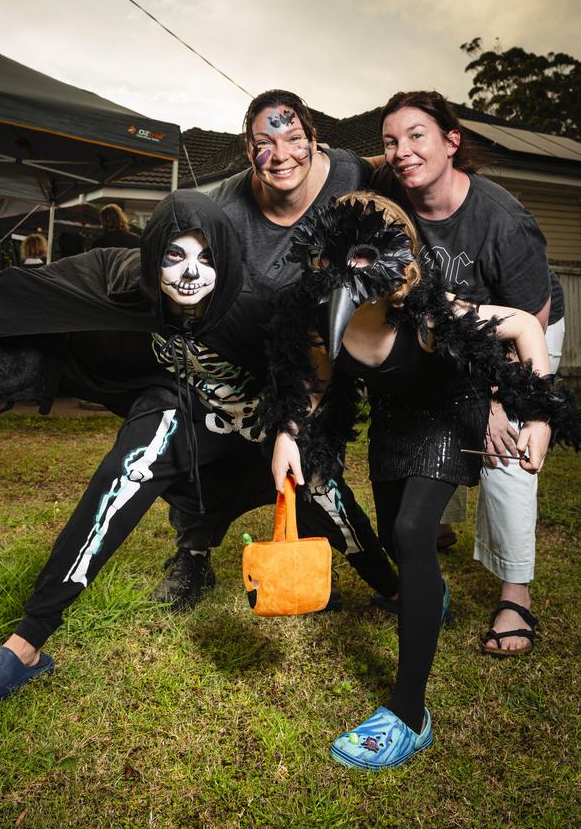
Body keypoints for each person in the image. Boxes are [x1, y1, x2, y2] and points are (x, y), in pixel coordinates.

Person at [0, 190, 397, 704]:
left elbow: (309, 372)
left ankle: (391, 586)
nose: (191, 272)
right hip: (184, 412)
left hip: (267, 421)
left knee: (322, 488)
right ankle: (29, 639)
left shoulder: (252, 311)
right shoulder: (128, 283)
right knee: (122, 476)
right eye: (174, 255)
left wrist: (288, 432)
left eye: (206, 257)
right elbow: (61, 284)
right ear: (153, 258)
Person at [266, 192, 578, 770]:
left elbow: (521, 327)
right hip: (393, 425)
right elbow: (312, 383)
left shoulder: (433, 315)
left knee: (412, 532)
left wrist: (535, 413)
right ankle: (429, 594)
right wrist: (288, 433)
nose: (350, 271)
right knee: (397, 539)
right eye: (336, 256)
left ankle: (409, 713)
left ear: (397, 261)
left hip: (447, 413)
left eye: (364, 256)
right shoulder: (317, 319)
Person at [156, 89, 389, 607]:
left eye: (292, 138)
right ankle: (192, 555)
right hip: (244, 349)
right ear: (247, 150)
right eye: (265, 143)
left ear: (313, 139)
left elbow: (396, 163)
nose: (280, 154)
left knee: (314, 472)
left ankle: (381, 576)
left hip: (317, 357)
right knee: (206, 451)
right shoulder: (227, 208)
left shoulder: (349, 174)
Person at [374, 91, 565, 656]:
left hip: (521, 328)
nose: (402, 151)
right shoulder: (392, 192)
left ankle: (515, 594)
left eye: (417, 135)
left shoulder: (503, 220)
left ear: (451, 142)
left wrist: (502, 404)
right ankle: (435, 530)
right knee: (436, 409)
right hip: (448, 326)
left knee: (503, 447)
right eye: (391, 141)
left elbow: (529, 326)